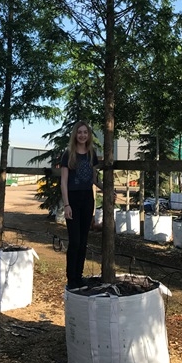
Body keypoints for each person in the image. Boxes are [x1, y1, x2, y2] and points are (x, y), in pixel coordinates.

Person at [60, 120, 103, 290]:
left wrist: (107, 189)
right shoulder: (68, 154)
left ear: (89, 135)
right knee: (75, 241)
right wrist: (66, 205)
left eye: (85, 132)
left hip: (87, 199)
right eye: (80, 132)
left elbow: (93, 178)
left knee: (84, 240)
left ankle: (79, 276)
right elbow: (63, 182)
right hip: (73, 199)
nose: (82, 135)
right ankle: (71, 278)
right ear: (75, 135)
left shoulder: (91, 153)